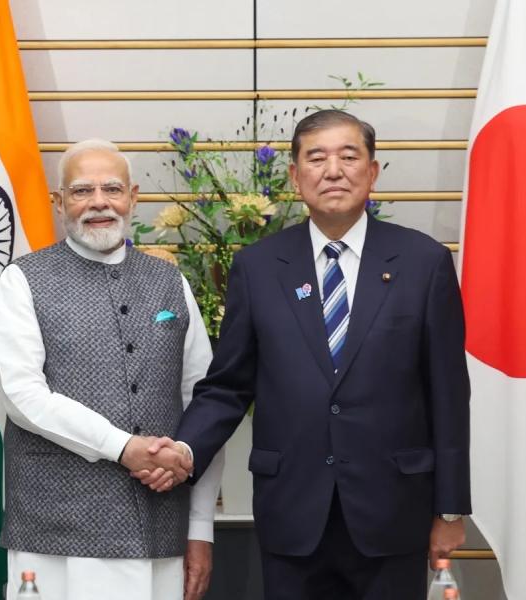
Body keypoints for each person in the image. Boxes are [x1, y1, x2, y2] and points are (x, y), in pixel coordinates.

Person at [141, 110, 471, 599]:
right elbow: (229, 385)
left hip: (393, 511)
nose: (333, 171)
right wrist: (184, 451)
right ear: (295, 177)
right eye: (316, 158)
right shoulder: (258, 267)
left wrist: (450, 509)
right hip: (293, 511)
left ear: (372, 172)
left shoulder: (424, 262)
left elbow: (448, 393)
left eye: (348, 157)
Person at [0, 139, 223, 600]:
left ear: (133, 198)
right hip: (54, 532)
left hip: (159, 526)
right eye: (82, 190)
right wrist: (123, 448)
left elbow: (203, 402)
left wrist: (200, 527)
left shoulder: (170, 282)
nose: (99, 202)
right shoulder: (23, 279)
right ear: (59, 203)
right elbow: (22, 395)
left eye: (112, 189)